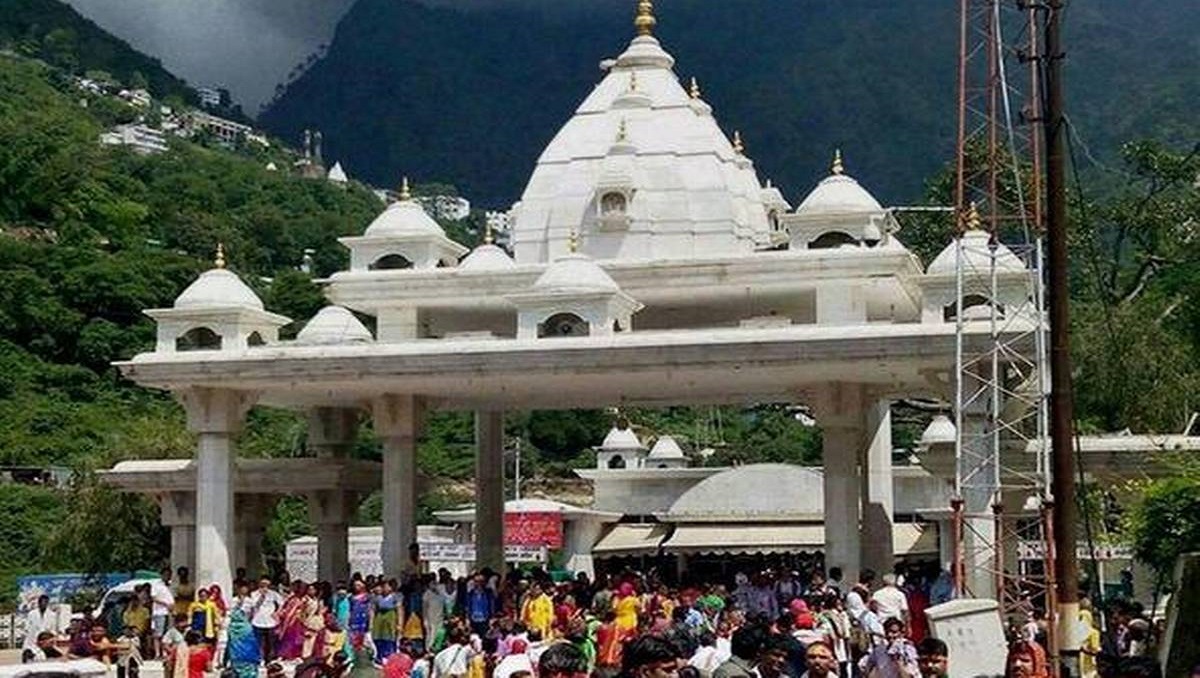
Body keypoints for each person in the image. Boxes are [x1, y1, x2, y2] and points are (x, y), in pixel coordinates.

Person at [248, 577, 283, 663]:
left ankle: (268, 660)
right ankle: (258, 659)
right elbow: (254, 606)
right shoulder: (254, 594)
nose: (265, 587)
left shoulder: (273, 594)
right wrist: (261, 597)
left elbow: (282, 603)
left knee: (270, 643)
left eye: (267, 585)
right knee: (258, 642)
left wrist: (277, 612)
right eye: (263, 585)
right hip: (257, 621)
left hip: (270, 622)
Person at [226, 608, 262, 678]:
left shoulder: (231, 628)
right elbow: (253, 642)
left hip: (236, 655)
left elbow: (229, 642)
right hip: (250, 655)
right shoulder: (248, 627)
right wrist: (258, 655)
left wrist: (226, 659)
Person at [152, 569, 177, 659]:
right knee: (158, 634)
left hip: (170, 612)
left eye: (169, 574)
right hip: (160, 611)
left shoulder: (171, 585)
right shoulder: (157, 585)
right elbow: (154, 598)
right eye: (166, 575)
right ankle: (158, 653)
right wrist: (166, 604)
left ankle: (165, 652)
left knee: (168, 633)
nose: (168, 576)